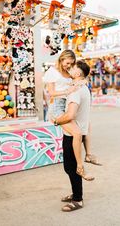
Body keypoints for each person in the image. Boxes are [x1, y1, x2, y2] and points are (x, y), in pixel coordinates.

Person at [43, 50, 94, 181]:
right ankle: (81, 168)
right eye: (67, 63)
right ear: (61, 60)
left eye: (72, 63)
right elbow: (51, 93)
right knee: (77, 133)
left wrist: (82, 81)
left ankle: (88, 155)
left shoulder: (70, 72)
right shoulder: (52, 72)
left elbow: (80, 76)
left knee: (85, 127)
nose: (69, 66)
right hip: (57, 107)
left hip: (67, 105)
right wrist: (68, 91)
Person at [53, 60, 95, 213]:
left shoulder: (75, 91)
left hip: (72, 134)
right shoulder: (83, 87)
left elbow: (71, 114)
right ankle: (76, 193)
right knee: (69, 168)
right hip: (80, 130)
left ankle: (78, 199)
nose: (69, 69)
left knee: (71, 168)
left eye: (73, 67)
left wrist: (56, 120)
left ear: (78, 73)